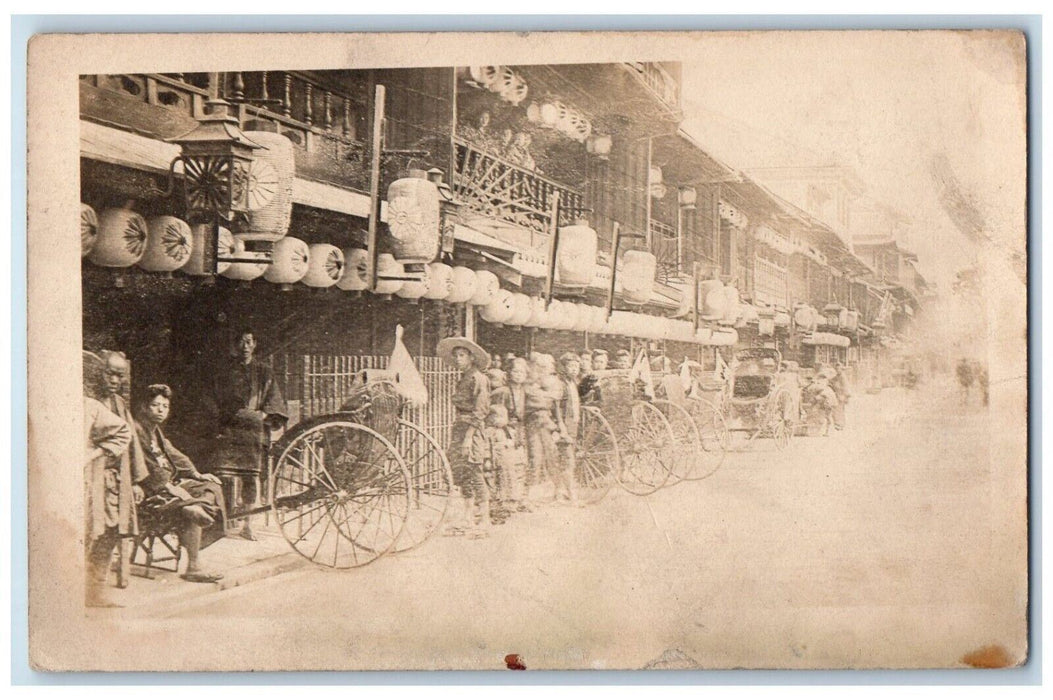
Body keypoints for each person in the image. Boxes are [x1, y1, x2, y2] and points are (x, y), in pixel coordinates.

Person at [135, 384, 226, 583]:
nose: (161, 410)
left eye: (165, 406)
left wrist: (196, 474)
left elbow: (173, 454)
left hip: (169, 485)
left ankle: (193, 507)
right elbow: (144, 466)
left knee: (211, 486)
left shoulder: (156, 431)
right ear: (144, 407)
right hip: (149, 490)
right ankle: (193, 566)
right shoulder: (137, 430)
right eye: (155, 405)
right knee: (189, 504)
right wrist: (169, 487)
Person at [204, 329, 288, 541]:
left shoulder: (264, 372)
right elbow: (211, 397)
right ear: (235, 345)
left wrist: (263, 416)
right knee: (223, 476)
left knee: (250, 477)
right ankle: (222, 522)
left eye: (249, 341)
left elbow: (274, 400)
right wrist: (218, 416)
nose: (245, 346)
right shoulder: (224, 371)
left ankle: (248, 524)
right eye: (241, 342)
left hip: (253, 430)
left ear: (255, 344)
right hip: (229, 428)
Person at [439, 336, 492, 537]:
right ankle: (468, 516)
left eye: (462, 355)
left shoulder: (479, 378)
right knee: (462, 472)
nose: (458, 359)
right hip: (460, 427)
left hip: (473, 429)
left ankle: (485, 519)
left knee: (475, 470)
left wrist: (469, 436)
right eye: (456, 356)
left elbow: (481, 409)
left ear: (471, 358)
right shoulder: (464, 378)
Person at [83, 395, 132, 607]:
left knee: (102, 532)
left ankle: (94, 592)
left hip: (91, 483)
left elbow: (123, 432)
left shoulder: (89, 406)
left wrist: (92, 455)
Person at [490, 357, 530, 513]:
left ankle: (518, 498)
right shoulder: (503, 391)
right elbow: (496, 414)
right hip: (504, 431)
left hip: (519, 430)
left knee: (520, 465)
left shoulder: (524, 391)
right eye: (515, 371)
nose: (518, 375)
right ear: (509, 373)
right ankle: (505, 500)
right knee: (506, 465)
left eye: (521, 371)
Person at [523, 353, 562, 504]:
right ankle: (531, 490)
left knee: (552, 455)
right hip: (532, 422)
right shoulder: (528, 383)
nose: (541, 370)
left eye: (545, 367)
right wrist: (545, 396)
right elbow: (533, 399)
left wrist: (543, 396)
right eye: (539, 367)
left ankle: (558, 489)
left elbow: (555, 398)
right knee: (535, 456)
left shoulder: (554, 382)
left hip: (548, 423)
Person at [553, 353, 583, 506]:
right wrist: (561, 427)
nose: (574, 370)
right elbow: (557, 407)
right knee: (568, 460)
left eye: (576, 367)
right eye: (571, 366)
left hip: (573, 425)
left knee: (564, 460)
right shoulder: (560, 384)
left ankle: (559, 492)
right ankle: (572, 496)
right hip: (564, 426)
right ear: (563, 367)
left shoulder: (573, 383)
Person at [829, 363, 851, 431]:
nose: (837, 370)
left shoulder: (843, 377)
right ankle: (838, 424)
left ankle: (840, 424)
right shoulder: (837, 376)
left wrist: (846, 396)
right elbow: (832, 380)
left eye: (838, 369)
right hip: (837, 395)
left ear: (841, 369)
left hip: (841, 396)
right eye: (836, 369)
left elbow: (846, 387)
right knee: (836, 410)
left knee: (840, 410)